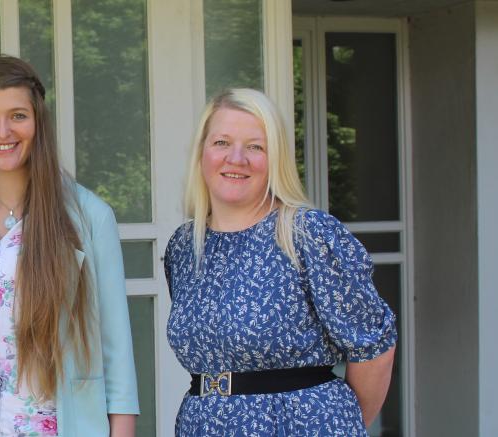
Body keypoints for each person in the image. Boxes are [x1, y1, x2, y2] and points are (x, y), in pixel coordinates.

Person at [0, 55, 139, 437]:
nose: (2, 130)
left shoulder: (88, 217)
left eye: (17, 115)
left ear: (38, 122)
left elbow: (116, 351)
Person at [164, 88, 397, 435]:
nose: (236, 158)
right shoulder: (184, 247)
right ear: (201, 153)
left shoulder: (309, 234)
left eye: (256, 146)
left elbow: (373, 348)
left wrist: (338, 425)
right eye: (222, 143)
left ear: (276, 158)